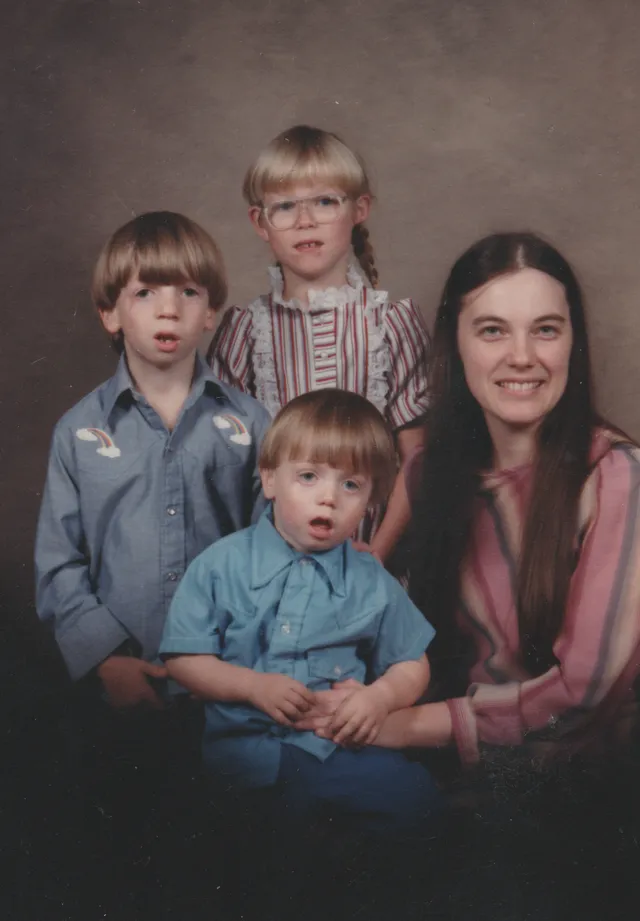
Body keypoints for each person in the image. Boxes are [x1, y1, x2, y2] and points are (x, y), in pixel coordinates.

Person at [299, 232, 640, 772]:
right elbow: (366, 610)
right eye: (492, 331)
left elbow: (586, 692)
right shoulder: (428, 472)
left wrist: (398, 727)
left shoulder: (618, 476)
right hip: (452, 774)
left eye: (545, 330)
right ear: (454, 343)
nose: (522, 357)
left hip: (581, 787)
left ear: (573, 341)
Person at [33, 212, 271, 888]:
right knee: (127, 859)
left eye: (189, 292)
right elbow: (59, 563)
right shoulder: (77, 433)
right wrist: (107, 661)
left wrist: (238, 663)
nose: (168, 307)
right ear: (111, 313)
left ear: (212, 314)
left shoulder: (251, 424)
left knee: (227, 860)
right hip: (121, 689)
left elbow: (272, 550)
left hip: (228, 689)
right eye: (145, 292)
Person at [159, 389, 440, 829]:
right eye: (308, 476)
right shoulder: (221, 564)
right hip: (241, 758)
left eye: (351, 484)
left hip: (333, 749)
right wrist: (253, 686)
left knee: (421, 801)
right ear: (270, 480)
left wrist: (380, 698)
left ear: (370, 502)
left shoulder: (370, 580)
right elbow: (183, 658)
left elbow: (413, 662)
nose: (328, 497)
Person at [208, 125, 431, 565]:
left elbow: (419, 459)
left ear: (359, 208)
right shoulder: (244, 331)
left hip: (370, 559)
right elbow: (223, 467)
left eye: (325, 202)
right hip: (267, 566)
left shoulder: (391, 324)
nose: (305, 221)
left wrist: (379, 553)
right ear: (260, 223)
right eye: (285, 206)